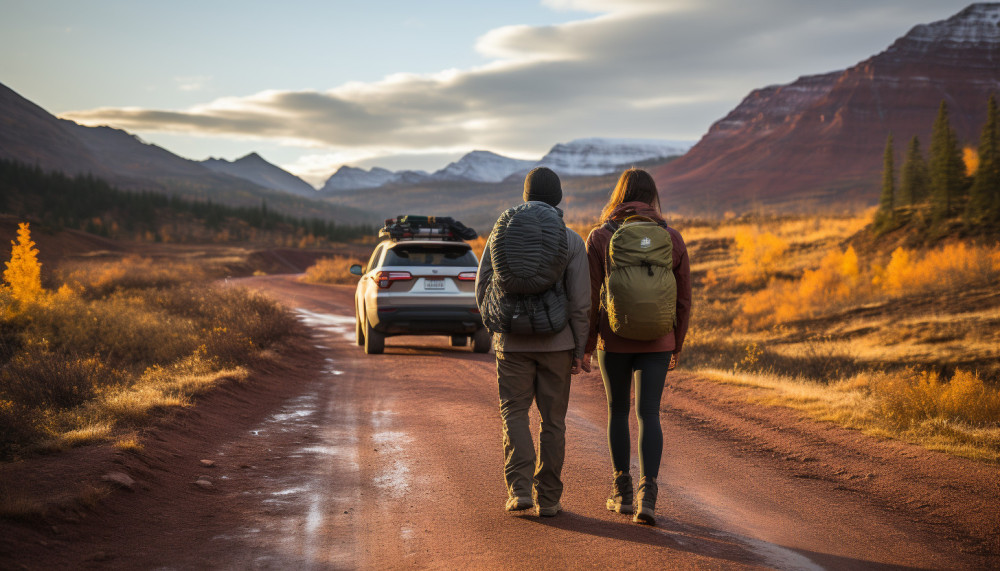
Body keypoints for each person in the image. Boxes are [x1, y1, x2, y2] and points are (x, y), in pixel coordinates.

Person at [476, 167, 591, 517]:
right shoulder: (570, 239)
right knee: (553, 422)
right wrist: (579, 348)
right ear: (558, 198)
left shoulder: (501, 232)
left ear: (526, 196)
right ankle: (550, 499)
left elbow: (482, 287)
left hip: (510, 343)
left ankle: (519, 491)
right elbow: (581, 301)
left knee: (514, 413)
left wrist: (496, 330)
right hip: (557, 344)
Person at [584, 168, 691, 525]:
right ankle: (649, 495)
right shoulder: (671, 238)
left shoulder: (600, 237)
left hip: (612, 340)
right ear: (652, 198)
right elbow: (684, 299)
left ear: (620, 195)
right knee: (650, 414)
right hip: (659, 339)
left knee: (617, 411)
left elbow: (590, 299)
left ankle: (622, 492)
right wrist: (677, 344)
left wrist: (585, 346)